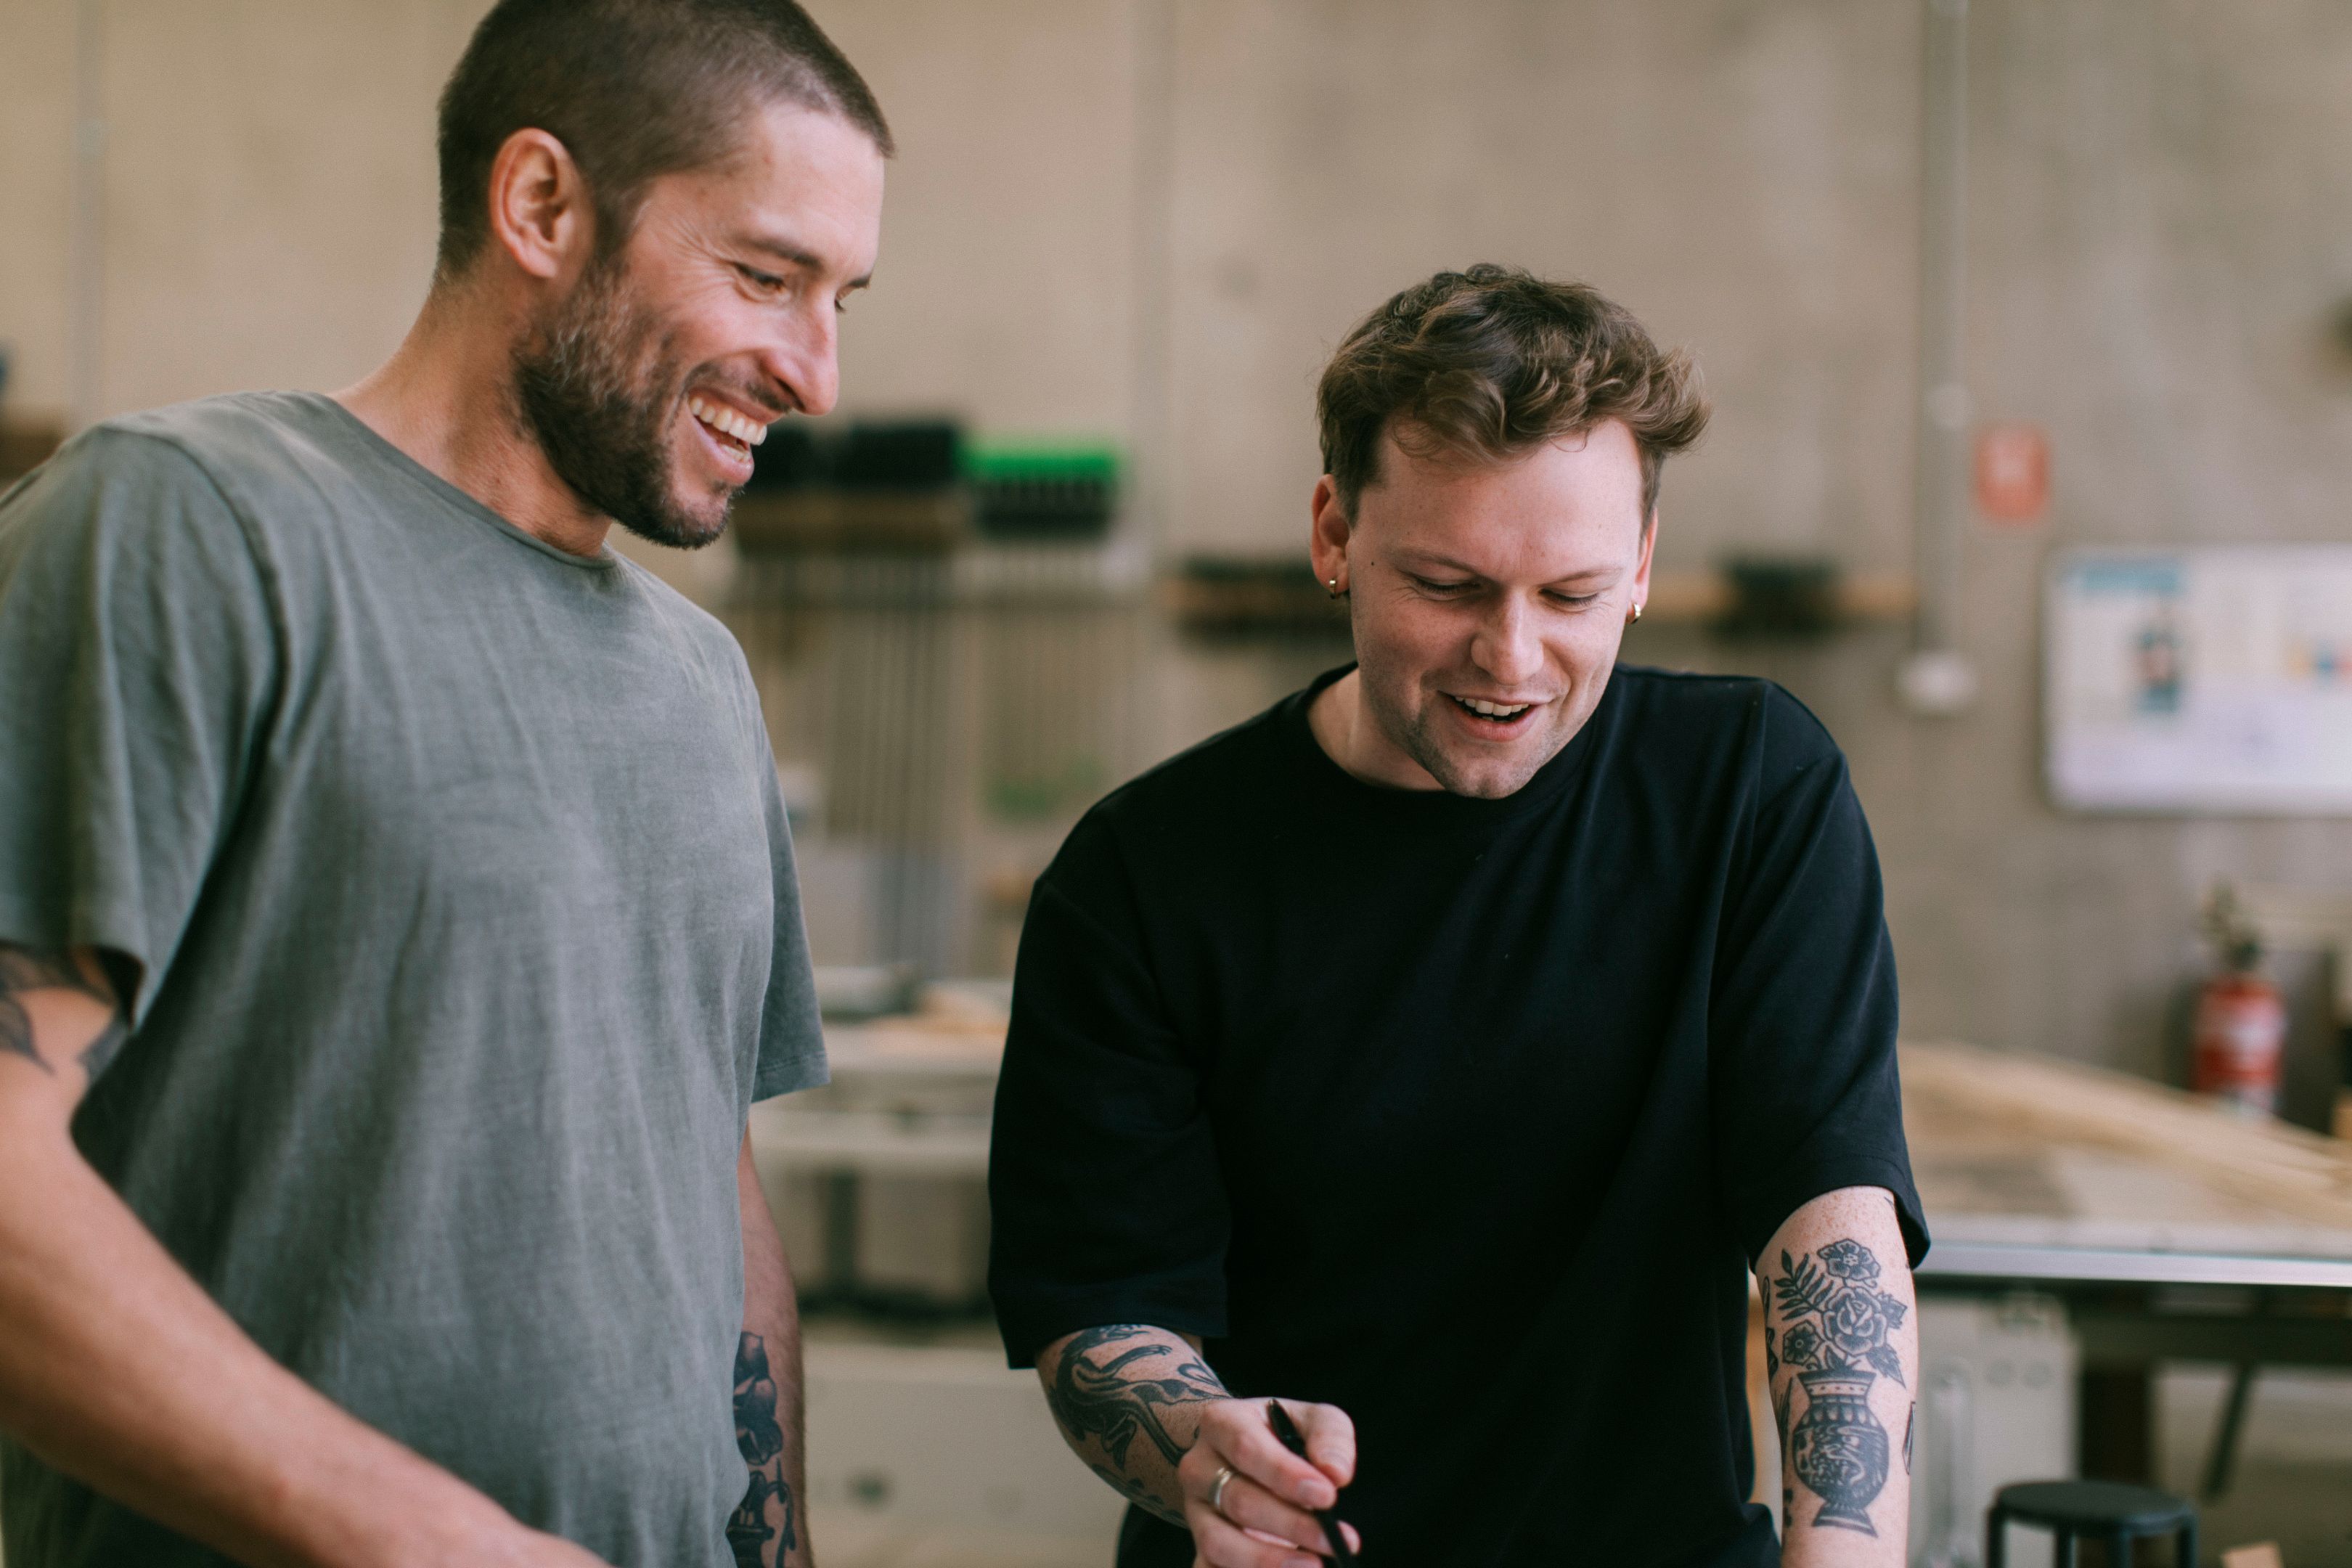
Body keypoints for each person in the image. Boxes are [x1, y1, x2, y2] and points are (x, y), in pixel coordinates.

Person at [0, 4, 887, 1566]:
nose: (816, 373)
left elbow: (707, 1196)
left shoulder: (700, 688)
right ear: (540, 205)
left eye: (843, 298)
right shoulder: (193, 529)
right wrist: (422, 1539)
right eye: (764, 276)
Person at [988, 266, 1930, 1567]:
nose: (1511, 657)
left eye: (1572, 595)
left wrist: (1849, 1553)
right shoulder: (1143, 875)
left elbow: (1830, 1214)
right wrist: (1205, 1449)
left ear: (1644, 568)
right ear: (1333, 535)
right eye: (1447, 585)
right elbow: (1102, 1306)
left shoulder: (1751, 789)